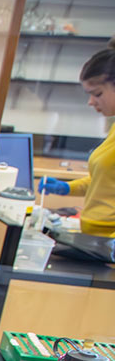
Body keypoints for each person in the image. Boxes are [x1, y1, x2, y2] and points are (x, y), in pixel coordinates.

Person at [39, 37, 115, 237]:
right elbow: (104, 179)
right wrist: (66, 187)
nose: (91, 102)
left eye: (97, 93)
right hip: (96, 238)